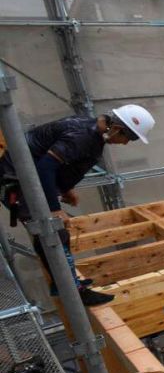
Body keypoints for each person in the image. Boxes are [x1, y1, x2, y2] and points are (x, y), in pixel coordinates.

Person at [0, 105, 155, 306]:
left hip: (23, 178)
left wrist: (65, 189)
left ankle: (65, 282)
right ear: (117, 128)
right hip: (14, 181)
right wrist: (54, 208)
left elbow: (59, 163)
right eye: (129, 137)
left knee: (51, 231)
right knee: (54, 231)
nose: (126, 143)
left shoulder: (89, 130)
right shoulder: (83, 136)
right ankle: (72, 290)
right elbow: (45, 168)